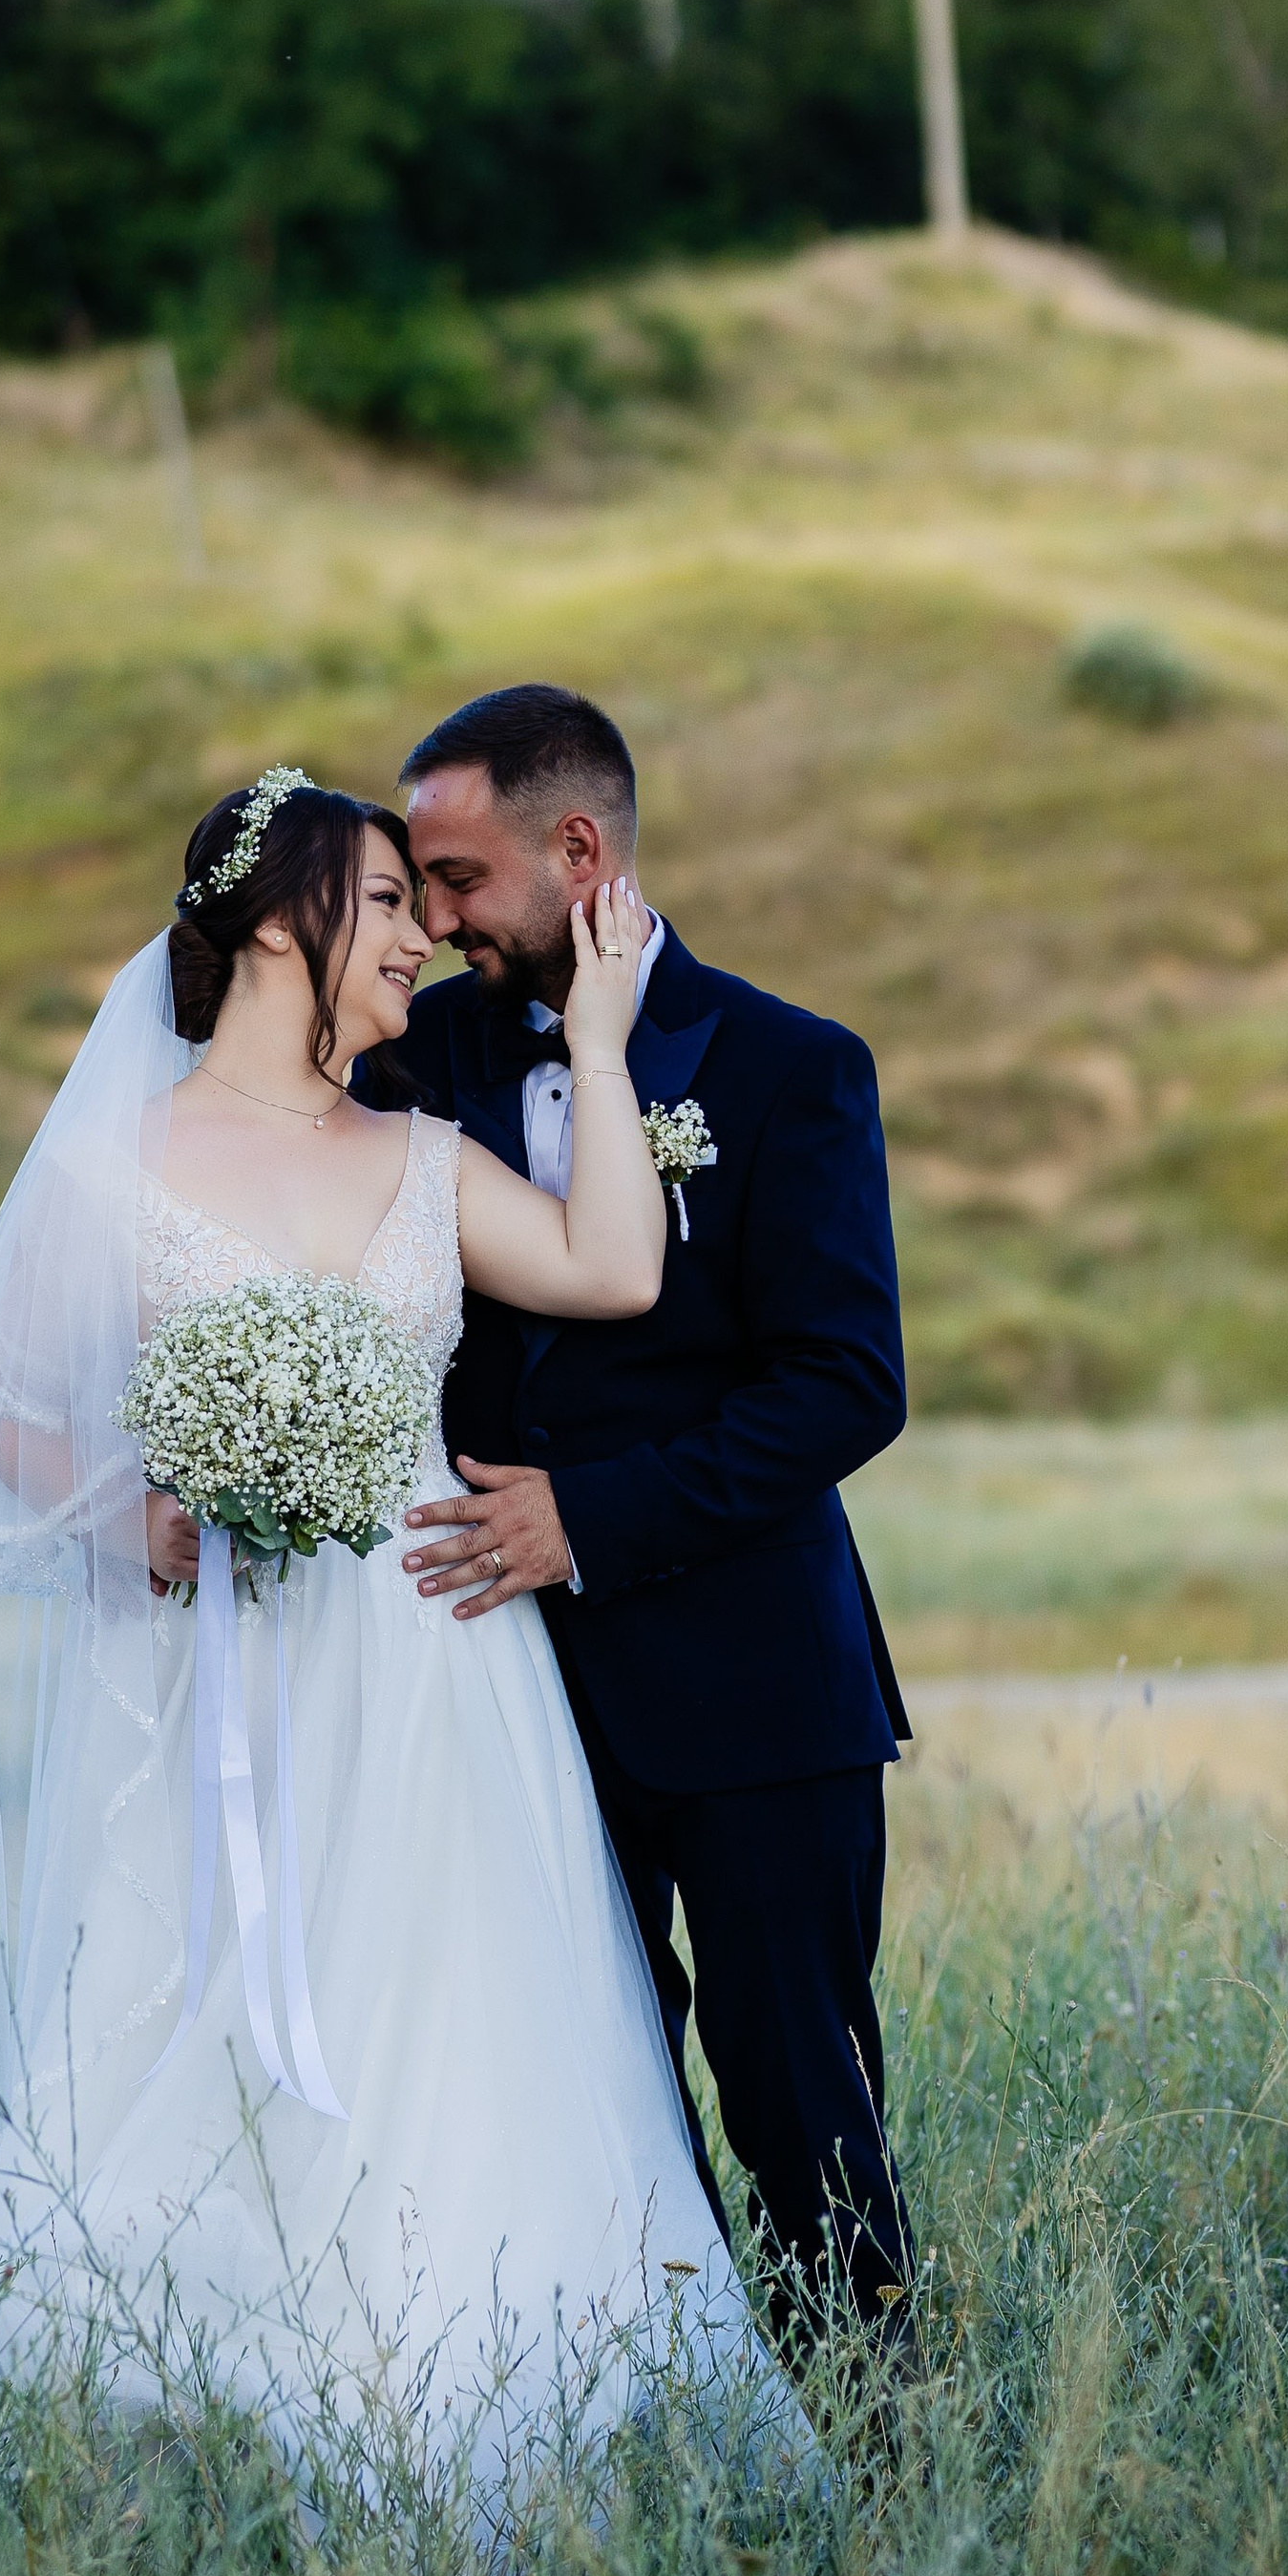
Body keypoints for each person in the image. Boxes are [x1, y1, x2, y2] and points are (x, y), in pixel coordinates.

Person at [0, 773, 778, 2489]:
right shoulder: (122, 1159)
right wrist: (138, 1512)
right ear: (281, 918)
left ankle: (478, 2400)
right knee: (196, 2023)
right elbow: (2, 1397)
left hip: (437, 1672)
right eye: (382, 905)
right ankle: (198, 2409)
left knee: (454, 2016)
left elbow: (614, 1268)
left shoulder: (422, 1157)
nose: (423, 942)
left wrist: (595, 1038)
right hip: (223, 1668)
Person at [391, 685, 916, 2353]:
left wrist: (592, 1520)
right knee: (575, 2110)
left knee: (802, 2115)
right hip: (510, 1697)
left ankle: (877, 2440)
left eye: (460, 880)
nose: (435, 919)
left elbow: (845, 1384)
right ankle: (652, 2434)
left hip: (758, 1695)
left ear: (577, 848)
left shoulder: (786, 1069)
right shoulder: (417, 1059)